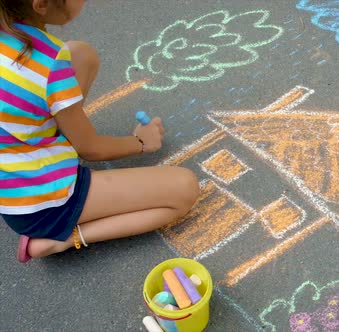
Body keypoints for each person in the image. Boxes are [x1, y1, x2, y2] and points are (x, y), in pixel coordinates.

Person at [0, 0, 200, 263]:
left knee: (81, 55)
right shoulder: (47, 62)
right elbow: (90, 148)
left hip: (13, 168)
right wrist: (140, 142)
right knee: (184, 189)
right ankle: (58, 241)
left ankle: (60, 127)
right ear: (41, 5)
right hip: (39, 203)